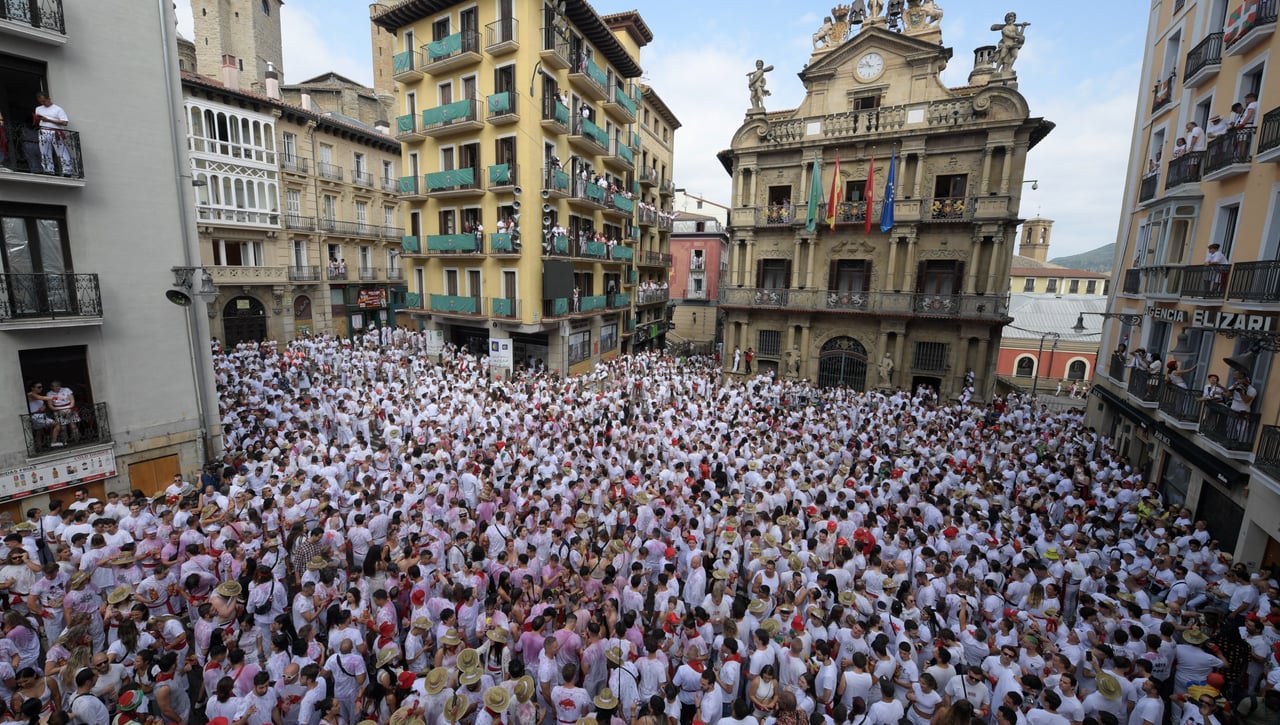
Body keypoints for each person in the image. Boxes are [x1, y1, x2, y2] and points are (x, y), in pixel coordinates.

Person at [34, 93, 73, 176]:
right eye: (41, 102)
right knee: (44, 151)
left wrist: (48, 120)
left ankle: (67, 170)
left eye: (44, 101)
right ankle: (48, 169)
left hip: (55, 131)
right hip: (43, 131)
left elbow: (65, 122)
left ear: (49, 99)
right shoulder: (38, 109)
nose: (43, 103)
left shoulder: (58, 109)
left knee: (61, 151)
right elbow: (38, 120)